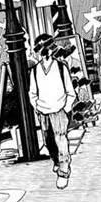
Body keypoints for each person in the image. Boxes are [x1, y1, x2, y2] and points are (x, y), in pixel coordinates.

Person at [28, 33, 77, 188]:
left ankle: (64, 171)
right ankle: (56, 161)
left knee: (61, 140)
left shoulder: (61, 67)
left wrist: (65, 108)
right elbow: (32, 93)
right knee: (48, 141)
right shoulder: (35, 70)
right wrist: (37, 107)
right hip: (43, 112)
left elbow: (70, 92)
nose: (45, 53)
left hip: (59, 110)